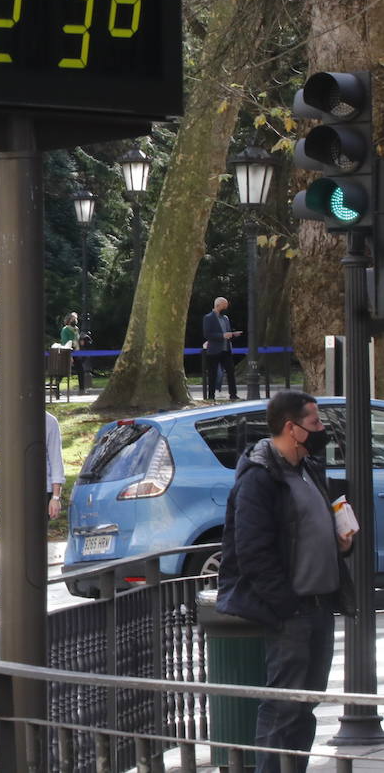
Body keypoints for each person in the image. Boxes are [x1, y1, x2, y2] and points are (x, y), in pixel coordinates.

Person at [216, 390, 355, 773]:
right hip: (293, 612)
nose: (322, 429)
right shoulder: (260, 479)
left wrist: (340, 545)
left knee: (305, 705)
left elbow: (310, 533)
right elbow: (253, 551)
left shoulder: (308, 470)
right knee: (282, 707)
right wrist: (286, 607)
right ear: (292, 429)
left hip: (320, 607)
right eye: (314, 423)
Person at [0, 397, 65, 520]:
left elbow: (56, 462)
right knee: (11, 535)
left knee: (32, 536)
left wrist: (55, 498)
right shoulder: (7, 416)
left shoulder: (49, 422)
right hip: (11, 489)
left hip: (40, 491)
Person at [202, 296, 242, 400]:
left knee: (231, 372)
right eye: (224, 306)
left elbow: (227, 333)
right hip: (214, 350)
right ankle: (211, 396)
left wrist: (233, 334)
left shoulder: (225, 318)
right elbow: (207, 334)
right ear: (218, 305)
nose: (226, 308)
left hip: (226, 350)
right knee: (213, 374)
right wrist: (222, 335)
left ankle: (233, 395)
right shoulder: (208, 317)